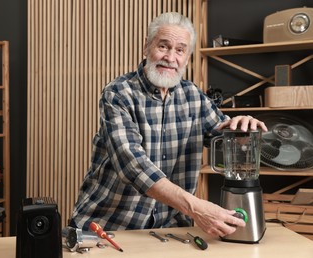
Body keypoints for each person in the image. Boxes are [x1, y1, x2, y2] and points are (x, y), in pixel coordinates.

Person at [69, 12, 267, 237]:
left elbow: (223, 139)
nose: (171, 57)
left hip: (168, 231)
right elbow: (133, 166)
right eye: (163, 46)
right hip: (109, 226)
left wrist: (242, 130)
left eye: (180, 50)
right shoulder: (118, 93)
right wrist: (196, 208)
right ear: (147, 47)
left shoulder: (194, 96)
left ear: (187, 56)